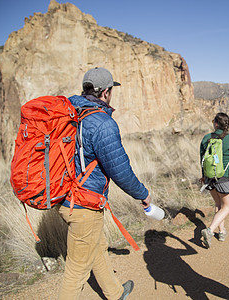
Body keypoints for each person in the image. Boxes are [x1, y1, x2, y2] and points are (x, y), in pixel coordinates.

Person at [57, 67, 151, 300]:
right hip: (83, 204)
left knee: (98, 246)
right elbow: (119, 170)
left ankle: (115, 292)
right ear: (106, 92)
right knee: (76, 271)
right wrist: (143, 194)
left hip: (66, 196)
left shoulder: (72, 112)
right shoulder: (102, 123)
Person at [200, 112, 229, 248]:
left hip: (210, 179)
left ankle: (222, 232)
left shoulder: (206, 138)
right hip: (225, 179)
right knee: (227, 207)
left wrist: (203, 175)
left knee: (218, 204)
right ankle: (210, 230)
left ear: (216, 124)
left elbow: (202, 160)